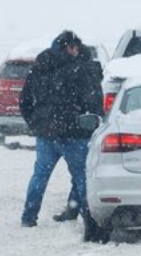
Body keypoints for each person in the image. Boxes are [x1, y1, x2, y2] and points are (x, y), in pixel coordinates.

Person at [18, 31, 103, 227]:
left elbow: (25, 101)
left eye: (76, 47)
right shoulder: (84, 69)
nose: (74, 50)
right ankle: (88, 219)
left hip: (49, 133)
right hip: (75, 134)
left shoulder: (41, 67)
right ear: (64, 48)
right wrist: (90, 121)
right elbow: (94, 101)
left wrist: (37, 123)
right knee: (82, 176)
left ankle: (29, 217)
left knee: (41, 176)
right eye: (71, 47)